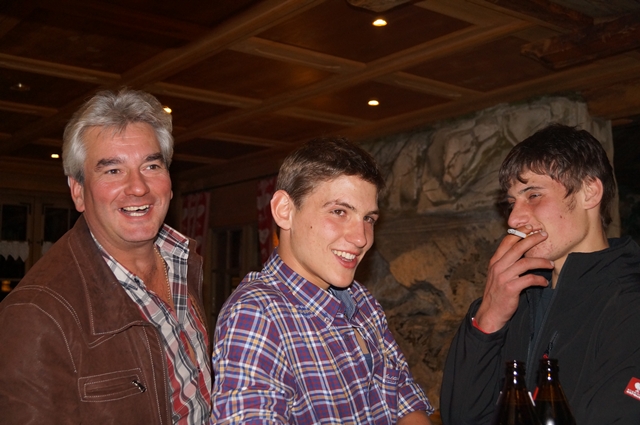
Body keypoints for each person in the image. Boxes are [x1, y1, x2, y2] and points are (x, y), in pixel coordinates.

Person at [0, 88, 212, 424]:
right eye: (113, 170)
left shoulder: (184, 263)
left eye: (151, 165)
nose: (138, 187)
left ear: (170, 183)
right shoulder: (35, 314)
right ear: (78, 192)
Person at [211, 137, 433, 424]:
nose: (361, 238)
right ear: (284, 210)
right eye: (339, 212)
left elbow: (405, 400)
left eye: (368, 219)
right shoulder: (256, 314)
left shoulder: (362, 300)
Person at [440, 124, 640, 424]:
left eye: (533, 194)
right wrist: (488, 319)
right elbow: (460, 418)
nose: (514, 218)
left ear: (589, 192)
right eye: (511, 203)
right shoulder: (512, 296)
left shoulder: (629, 303)